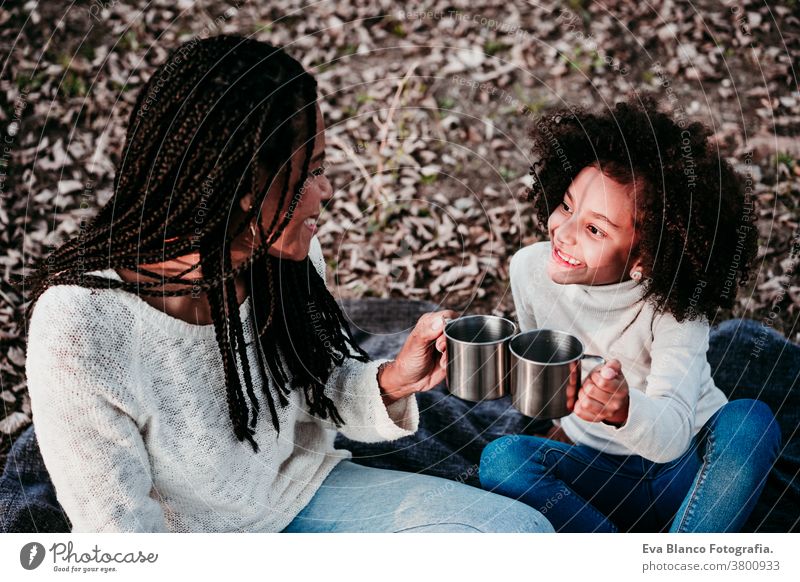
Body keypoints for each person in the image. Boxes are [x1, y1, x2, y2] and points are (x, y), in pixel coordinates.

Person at [22, 35, 552, 534]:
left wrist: (393, 380)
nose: (326, 190)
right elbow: (119, 536)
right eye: (311, 171)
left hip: (303, 493)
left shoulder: (280, 255)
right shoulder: (81, 329)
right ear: (246, 187)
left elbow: (319, 386)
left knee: (523, 534)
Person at [476, 98, 782, 532]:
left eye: (595, 229)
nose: (561, 232)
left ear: (645, 258)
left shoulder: (675, 310)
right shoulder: (529, 269)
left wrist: (622, 409)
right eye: (566, 205)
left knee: (750, 421)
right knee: (502, 459)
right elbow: (545, 374)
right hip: (597, 475)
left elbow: (673, 434)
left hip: (688, 470)